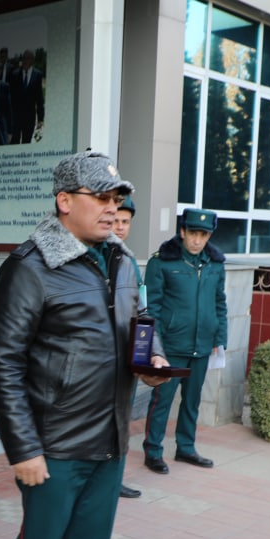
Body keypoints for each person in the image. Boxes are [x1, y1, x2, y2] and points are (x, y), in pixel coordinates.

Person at [0, 151, 167, 539]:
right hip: (53, 445)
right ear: (65, 201)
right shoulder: (30, 266)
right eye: (101, 198)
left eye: (117, 199)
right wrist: (23, 449)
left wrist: (151, 359)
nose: (112, 209)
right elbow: (2, 364)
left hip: (109, 439)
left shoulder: (122, 261)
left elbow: (138, 324)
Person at [142, 208, 228, 474]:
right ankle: (153, 451)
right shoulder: (162, 262)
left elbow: (219, 302)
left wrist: (219, 337)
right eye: (193, 233)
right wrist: (155, 347)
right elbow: (151, 308)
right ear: (182, 232)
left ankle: (186, 448)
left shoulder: (215, 264)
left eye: (203, 235)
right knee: (162, 400)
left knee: (192, 401)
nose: (197, 240)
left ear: (209, 236)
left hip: (202, 345)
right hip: (170, 347)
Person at [110, 197, 143, 500]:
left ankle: (115, 478)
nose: (120, 227)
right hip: (104, 358)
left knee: (123, 420)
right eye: (115, 221)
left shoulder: (129, 261)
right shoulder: (102, 256)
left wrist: (146, 353)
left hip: (127, 356)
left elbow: (141, 309)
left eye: (125, 222)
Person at [9, 49, 44, 144]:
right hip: (16, 117)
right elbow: (10, 97)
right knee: (14, 142)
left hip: (29, 116)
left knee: (26, 142)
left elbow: (39, 98)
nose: (25, 60)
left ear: (32, 60)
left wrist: (40, 118)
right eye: (24, 58)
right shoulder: (14, 74)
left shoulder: (38, 75)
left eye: (28, 58)